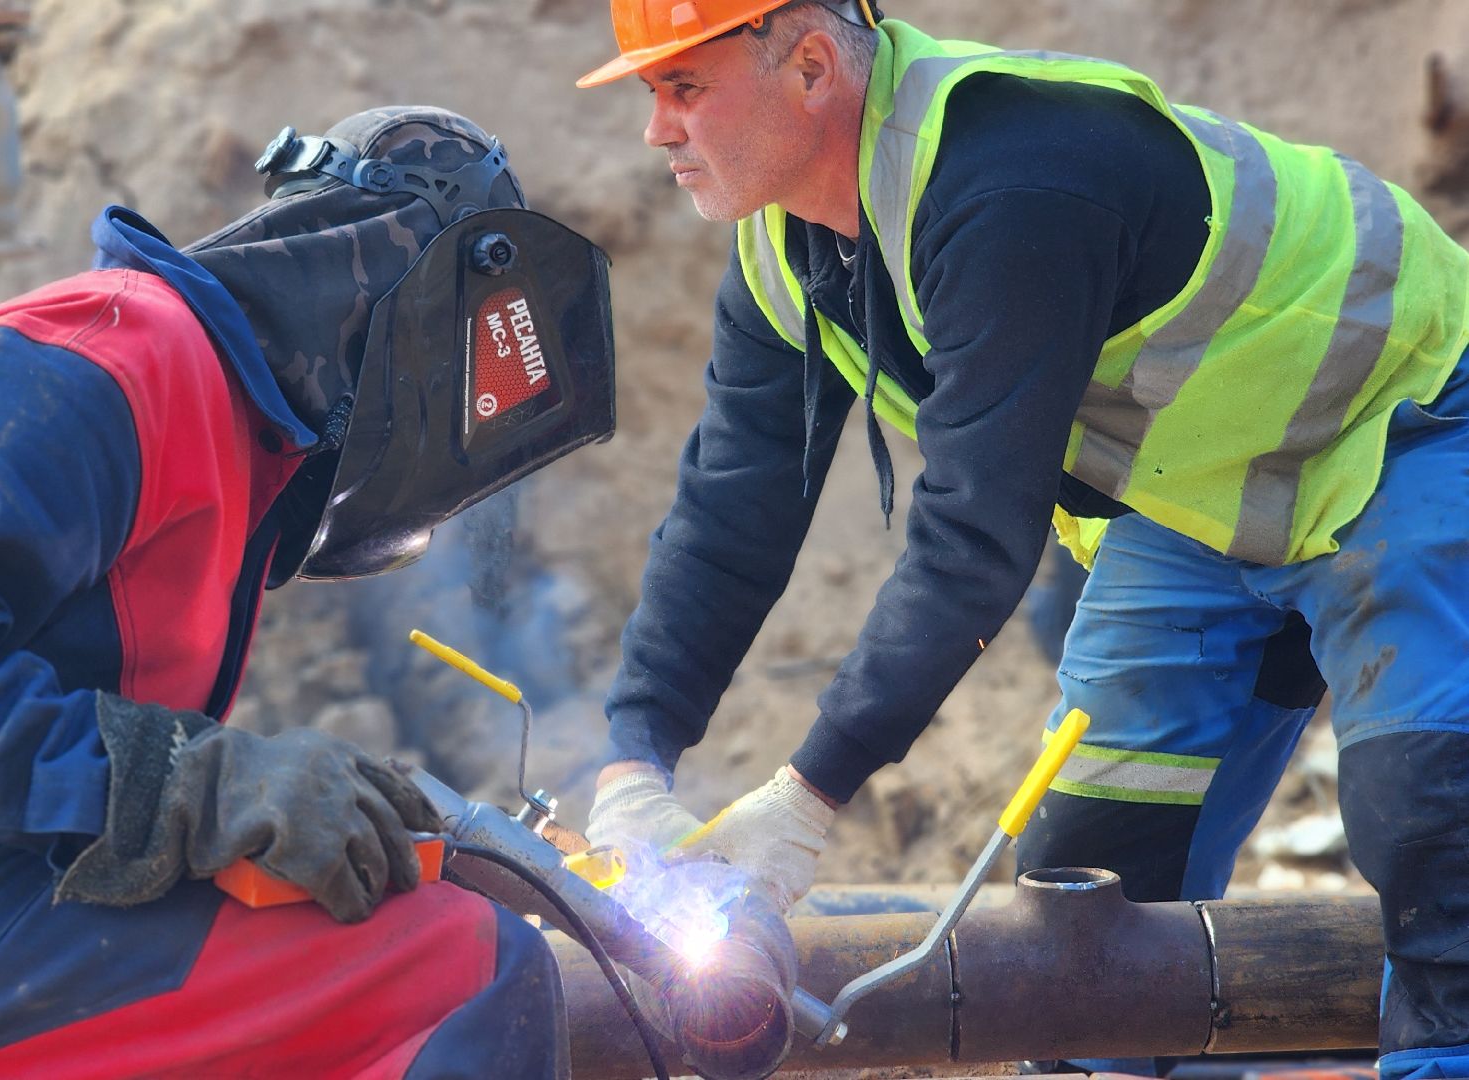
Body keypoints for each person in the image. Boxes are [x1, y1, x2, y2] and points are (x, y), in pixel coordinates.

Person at [0, 105, 615, 1079]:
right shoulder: (120, 363)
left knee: (370, 934)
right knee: (455, 971)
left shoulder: (228, 436)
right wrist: (199, 783)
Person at [573, 4, 1469, 1078]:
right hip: (1203, 504)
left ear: (809, 66)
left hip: (1404, 415)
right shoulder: (784, 255)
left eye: (684, 89)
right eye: (650, 95)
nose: (657, 131)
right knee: (1091, 897)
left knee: (1433, 820)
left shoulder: (1008, 181)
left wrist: (804, 800)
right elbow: (731, 511)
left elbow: (973, 539)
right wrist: (634, 755)